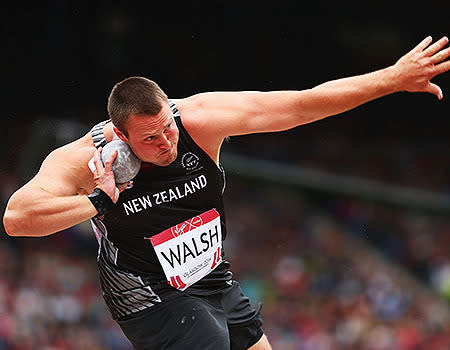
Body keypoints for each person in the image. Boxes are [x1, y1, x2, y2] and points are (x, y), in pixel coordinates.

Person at [3, 35, 450, 349]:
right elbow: (17, 218)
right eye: (149, 139)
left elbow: (301, 104)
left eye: (166, 129)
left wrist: (392, 78)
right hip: (149, 297)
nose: (166, 144)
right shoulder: (88, 159)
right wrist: (99, 200)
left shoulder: (198, 120)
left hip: (213, 279)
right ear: (121, 134)